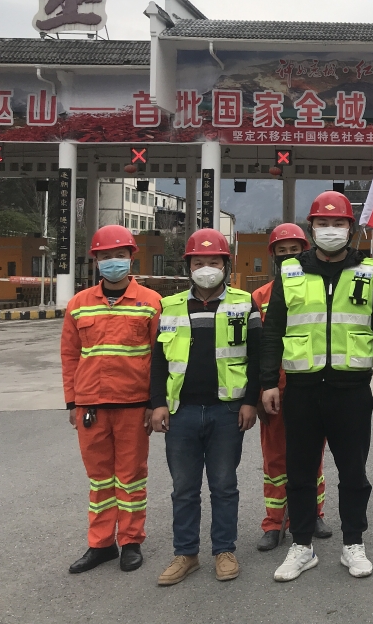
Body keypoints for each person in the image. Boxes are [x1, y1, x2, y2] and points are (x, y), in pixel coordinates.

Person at [259, 191, 373, 583]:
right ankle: (302, 546)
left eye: (339, 224)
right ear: (311, 228)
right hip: (301, 390)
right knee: (300, 471)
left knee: (354, 472)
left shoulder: (369, 271)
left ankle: (354, 543)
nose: (331, 230)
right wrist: (270, 382)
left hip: (351, 390)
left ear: (350, 229)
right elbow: (273, 331)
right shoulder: (290, 272)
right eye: (323, 223)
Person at [150, 228, 261, 586]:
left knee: (224, 485)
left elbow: (257, 358)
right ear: (188, 267)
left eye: (214, 262)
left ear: (226, 265)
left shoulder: (245, 303)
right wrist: (157, 405)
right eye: (199, 262)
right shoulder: (169, 307)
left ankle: (224, 551)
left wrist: (250, 402)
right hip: (180, 412)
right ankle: (186, 554)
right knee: (183, 488)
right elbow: (158, 363)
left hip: (226, 411)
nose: (206, 268)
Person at [61, 225, 162, 574]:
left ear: (131, 258)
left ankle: (131, 541)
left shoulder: (151, 302)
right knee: (100, 479)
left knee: (131, 476)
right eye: (105, 256)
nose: (112, 261)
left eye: (119, 255)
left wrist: (154, 403)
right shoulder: (78, 305)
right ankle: (101, 544)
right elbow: (70, 356)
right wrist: (73, 403)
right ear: (96, 261)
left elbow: (159, 357)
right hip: (91, 405)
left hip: (134, 405)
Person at [252, 223, 332, 552]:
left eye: (294, 250)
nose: (288, 256)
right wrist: (260, 388)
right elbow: (256, 348)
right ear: (272, 256)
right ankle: (274, 523)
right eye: (281, 251)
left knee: (312, 457)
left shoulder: (318, 289)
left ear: (306, 251)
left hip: (310, 384)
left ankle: (313, 514)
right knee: (275, 460)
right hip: (275, 389)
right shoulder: (260, 297)